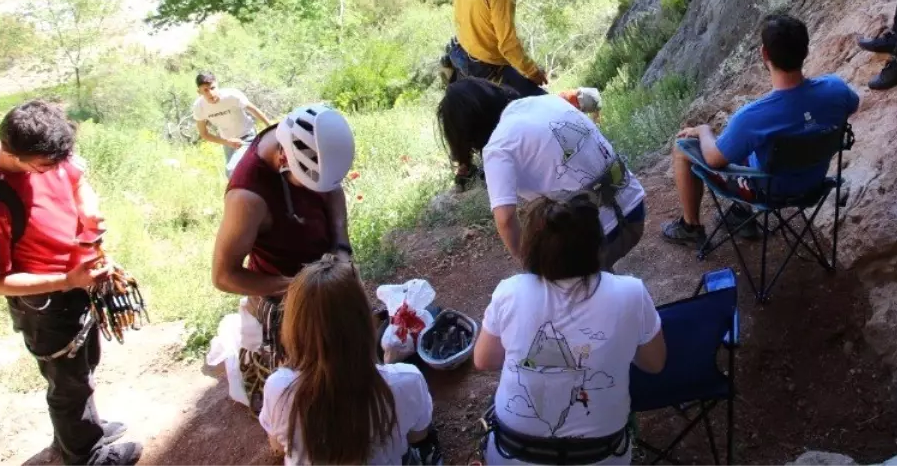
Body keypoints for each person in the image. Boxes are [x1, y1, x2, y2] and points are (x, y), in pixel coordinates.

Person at [0, 100, 141, 466]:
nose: (58, 169)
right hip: (44, 304)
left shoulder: (49, 153)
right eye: (47, 166)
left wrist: (89, 214)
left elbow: (78, 180)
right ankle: (86, 456)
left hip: (76, 282)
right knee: (67, 379)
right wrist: (66, 279)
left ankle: (80, 431)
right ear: (16, 156)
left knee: (84, 362)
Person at [474, 196, 666, 465]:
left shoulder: (510, 291)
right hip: (601, 455)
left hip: (513, 452)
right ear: (598, 246)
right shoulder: (631, 293)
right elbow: (654, 363)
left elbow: (484, 360)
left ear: (532, 248)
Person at [662, 14, 860, 246]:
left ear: (764, 54)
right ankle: (738, 215)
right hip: (814, 183)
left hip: (767, 191)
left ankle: (691, 227)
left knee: (682, 148)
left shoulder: (752, 117)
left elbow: (714, 160)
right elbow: (853, 104)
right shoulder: (836, 89)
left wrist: (704, 131)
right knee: (754, 146)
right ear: (805, 51)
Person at [437, 78, 646, 271]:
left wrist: (532, 270)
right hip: (634, 209)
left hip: (601, 239)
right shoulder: (545, 101)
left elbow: (505, 220)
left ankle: (593, 293)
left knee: (553, 269)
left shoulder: (498, 146)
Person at [259, 256, 440, 466]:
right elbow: (417, 436)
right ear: (363, 322)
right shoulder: (406, 381)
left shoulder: (278, 389)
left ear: (293, 327)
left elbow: (278, 446)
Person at [211, 103, 356, 301]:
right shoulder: (247, 198)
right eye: (308, 185)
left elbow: (332, 189)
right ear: (283, 161)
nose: (316, 192)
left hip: (325, 278)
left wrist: (341, 247)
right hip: (285, 299)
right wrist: (301, 287)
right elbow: (224, 276)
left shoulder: (309, 139)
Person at [192, 72, 269, 176]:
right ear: (199, 92)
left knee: (232, 170)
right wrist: (227, 142)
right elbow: (204, 134)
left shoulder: (231, 95)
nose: (210, 93)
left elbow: (253, 110)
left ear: (217, 85)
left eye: (212, 88)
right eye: (205, 90)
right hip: (227, 142)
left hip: (247, 136)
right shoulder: (199, 107)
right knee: (235, 176)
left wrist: (271, 127)